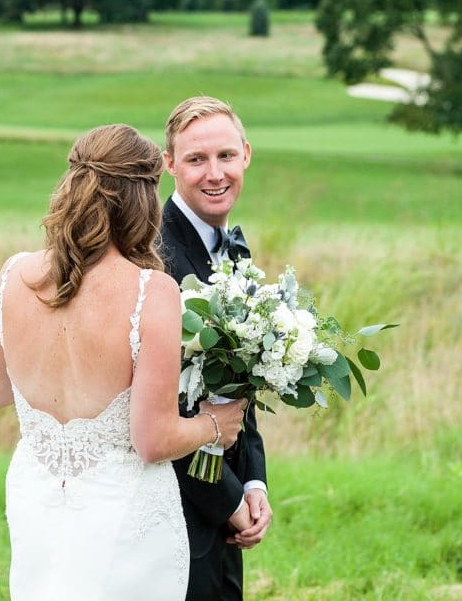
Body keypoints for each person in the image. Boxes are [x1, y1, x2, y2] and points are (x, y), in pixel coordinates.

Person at [0, 123, 246, 601]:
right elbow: (154, 440)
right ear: (142, 198)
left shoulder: (15, 272)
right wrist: (215, 425)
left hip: (37, 495)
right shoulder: (151, 290)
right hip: (123, 510)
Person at [159, 96, 271, 601]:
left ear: (246, 154)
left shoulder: (231, 247)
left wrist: (253, 485)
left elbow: (238, 389)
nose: (214, 174)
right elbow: (168, 408)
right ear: (168, 166)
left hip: (223, 504)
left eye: (226, 156)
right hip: (176, 514)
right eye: (196, 160)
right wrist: (228, 501)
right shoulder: (157, 257)